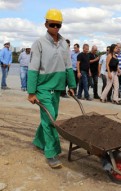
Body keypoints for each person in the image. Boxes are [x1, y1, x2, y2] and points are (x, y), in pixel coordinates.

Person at [27, 9, 76, 168]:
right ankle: (51, 153)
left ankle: (38, 141)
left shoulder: (64, 44)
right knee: (50, 120)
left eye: (58, 25)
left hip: (57, 88)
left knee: (50, 116)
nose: (55, 27)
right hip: (43, 88)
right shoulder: (39, 43)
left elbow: (68, 65)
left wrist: (72, 85)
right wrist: (31, 92)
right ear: (46, 24)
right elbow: (33, 69)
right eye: (52, 24)